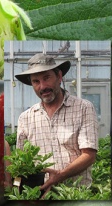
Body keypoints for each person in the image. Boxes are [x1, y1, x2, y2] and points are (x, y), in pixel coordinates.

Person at [14, 53, 98, 197]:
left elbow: (89, 155)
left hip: (76, 194)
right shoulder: (25, 118)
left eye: (47, 78)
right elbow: (22, 165)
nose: (43, 86)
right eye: (36, 81)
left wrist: (60, 175)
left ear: (59, 77)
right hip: (42, 196)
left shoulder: (83, 108)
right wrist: (15, 188)